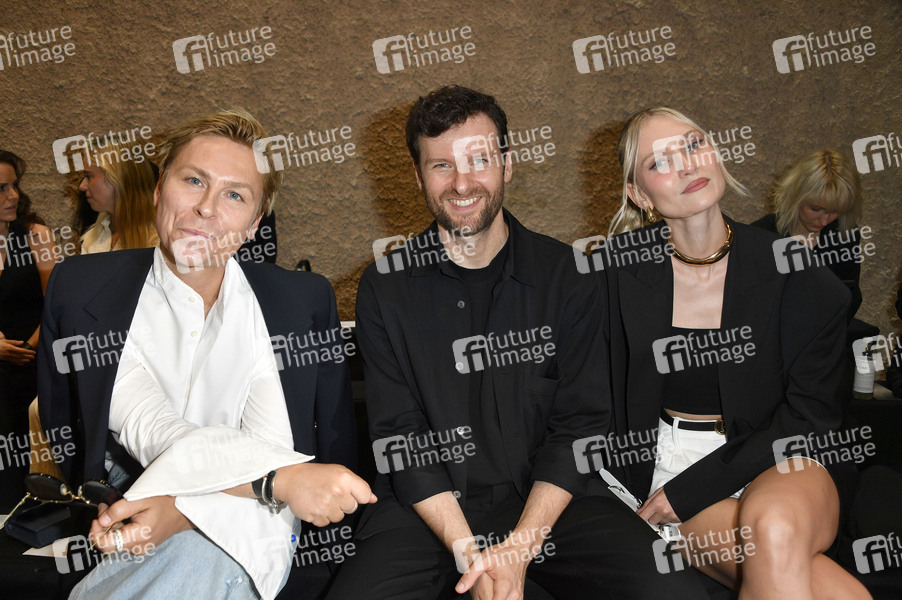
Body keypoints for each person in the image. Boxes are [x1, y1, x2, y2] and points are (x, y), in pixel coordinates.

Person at [327, 86, 708, 600]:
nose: (462, 183)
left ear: (507, 164)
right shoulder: (385, 285)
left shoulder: (569, 276)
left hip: (552, 502)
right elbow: (402, 438)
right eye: (441, 166)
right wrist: (473, 558)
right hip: (426, 509)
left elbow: (579, 428)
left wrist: (519, 548)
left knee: (673, 592)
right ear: (418, 176)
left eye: (479, 161)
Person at [37, 109, 373, 600]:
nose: (206, 208)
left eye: (234, 195)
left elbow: (278, 442)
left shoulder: (298, 302)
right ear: (158, 191)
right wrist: (280, 480)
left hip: (263, 501)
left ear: (254, 224)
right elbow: (151, 428)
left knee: (205, 551)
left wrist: (182, 512)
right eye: (193, 180)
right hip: (140, 482)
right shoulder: (83, 288)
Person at [602, 106, 870, 598]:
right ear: (639, 194)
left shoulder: (802, 277)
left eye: (693, 144)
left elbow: (810, 416)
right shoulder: (614, 275)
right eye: (660, 161)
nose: (686, 164)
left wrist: (694, 490)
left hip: (783, 459)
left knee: (774, 524)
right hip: (672, 465)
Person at [0, 150, 59, 511]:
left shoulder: (36, 235)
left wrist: (29, 346)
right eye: (2, 188)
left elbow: (56, 300)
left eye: (14, 186)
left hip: (32, 360)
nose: (13, 196)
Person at [751, 150, 864, 318]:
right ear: (795, 197)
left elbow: (850, 297)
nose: (824, 221)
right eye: (816, 209)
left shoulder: (844, 234)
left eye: (835, 211)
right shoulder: (760, 235)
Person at [78, 139, 159, 254]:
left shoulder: (162, 240)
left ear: (116, 178)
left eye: (89, 176)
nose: (82, 186)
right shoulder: (92, 238)